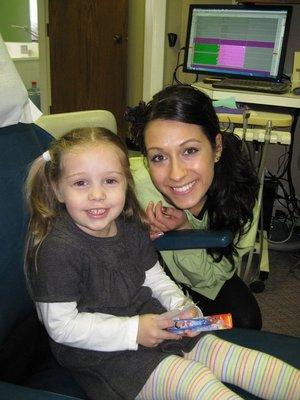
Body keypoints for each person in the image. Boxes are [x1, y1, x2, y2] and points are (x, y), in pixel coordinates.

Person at [24, 126, 300, 400]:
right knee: (195, 379)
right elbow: (62, 327)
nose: (97, 195)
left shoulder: (130, 229)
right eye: (80, 183)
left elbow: (155, 279)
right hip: (103, 352)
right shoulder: (58, 250)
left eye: (110, 181)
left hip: (154, 321)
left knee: (238, 359)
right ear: (58, 189)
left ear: (125, 183)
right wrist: (134, 331)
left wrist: (182, 308)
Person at [125, 84, 262, 330]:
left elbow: (214, 276)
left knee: (245, 321)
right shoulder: (131, 187)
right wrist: (133, 234)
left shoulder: (241, 196)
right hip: (149, 275)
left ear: (216, 147)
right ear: (146, 159)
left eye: (190, 151)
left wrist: (184, 230)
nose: (176, 174)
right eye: (159, 157)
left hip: (204, 276)